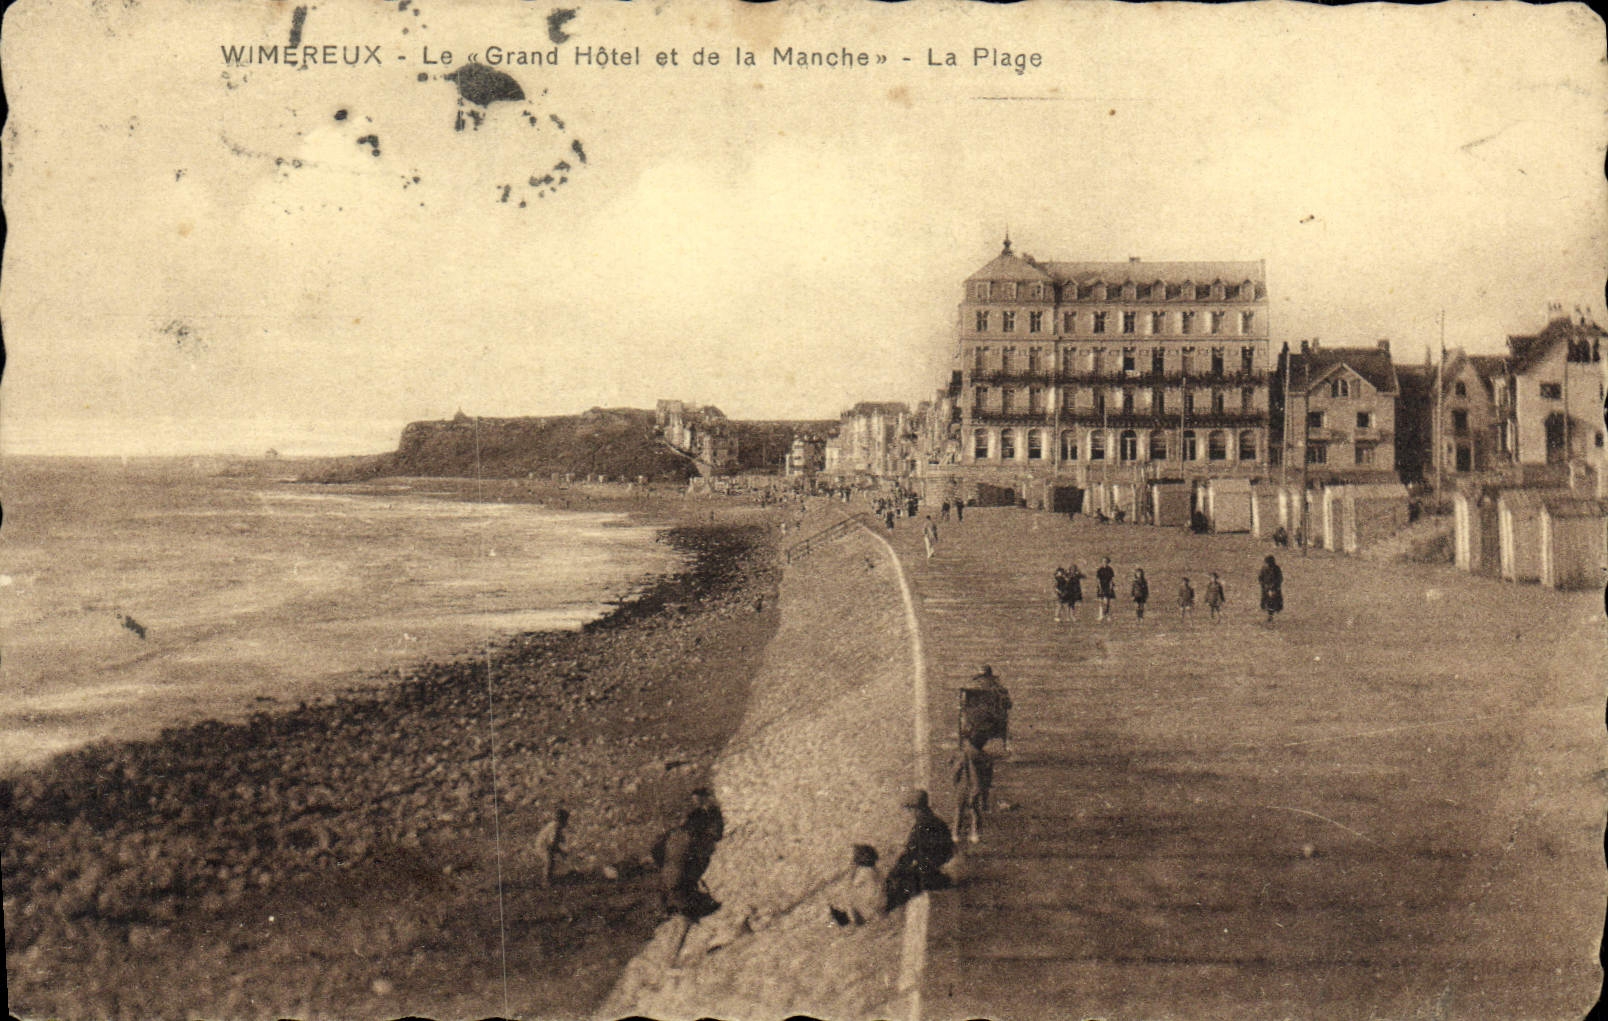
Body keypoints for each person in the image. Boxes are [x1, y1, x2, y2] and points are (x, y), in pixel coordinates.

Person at [655, 788, 725, 919]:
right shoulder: (696, 815)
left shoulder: (710, 813)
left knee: (676, 877)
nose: (696, 802)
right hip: (685, 846)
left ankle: (679, 905)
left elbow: (713, 833)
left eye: (699, 798)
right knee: (676, 877)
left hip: (688, 846)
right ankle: (679, 905)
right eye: (695, 799)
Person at [884, 790, 955, 910]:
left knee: (897, 883)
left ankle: (885, 909)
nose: (908, 813)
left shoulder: (921, 826)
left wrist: (892, 874)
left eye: (909, 810)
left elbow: (908, 855)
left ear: (915, 809)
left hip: (930, 875)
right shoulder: (938, 822)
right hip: (940, 870)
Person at [829, 844, 887, 927]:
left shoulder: (865, 872)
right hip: (875, 904)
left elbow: (852, 886)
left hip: (870, 906)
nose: (854, 858)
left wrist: (853, 870)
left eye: (856, 855)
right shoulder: (873, 870)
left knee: (850, 893)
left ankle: (848, 916)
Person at [951, 743, 994, 845]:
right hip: (976, 785)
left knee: (959, 810)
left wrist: (955, 782)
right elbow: (988, 773)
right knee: (975, 809)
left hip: (963, 784)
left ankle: (956, 833)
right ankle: (975, 833)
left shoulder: (963, 754)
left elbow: (956, 771)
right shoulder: (984, 756)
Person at [534, 806, 569, 887]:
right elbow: (552, 843)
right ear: (561, 821)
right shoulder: (555, 828)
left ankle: (549, 878)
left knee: (551, 861)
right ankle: (546, 881)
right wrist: (561, 851)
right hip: (543, 846)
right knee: (549, 861)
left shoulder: (556, 827)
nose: (566, 823)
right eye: (565, 821)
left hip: (546, 845)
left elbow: (556, 841)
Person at [1259, 555, 1284, 623]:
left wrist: (1274, 586)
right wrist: (1264, 585)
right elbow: (1260, 578)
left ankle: (1270, 615)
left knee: (1272, 602)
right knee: (1267, 601)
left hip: (1274, 588)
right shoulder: (1264, 569)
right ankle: (1269, 614)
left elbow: (1280, 578)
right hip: (1266, 588)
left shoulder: (1276, 569)